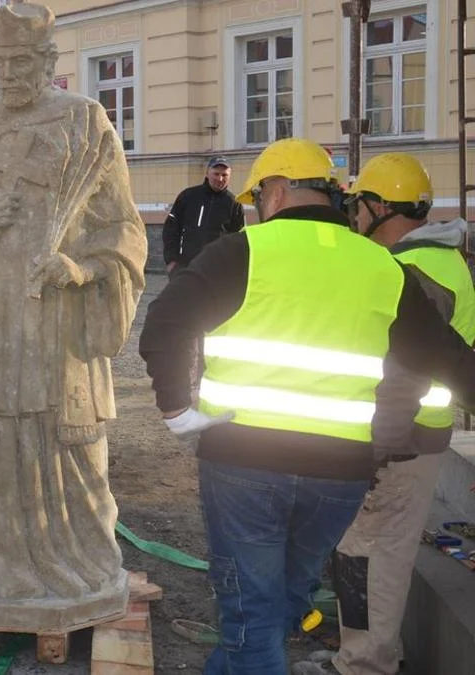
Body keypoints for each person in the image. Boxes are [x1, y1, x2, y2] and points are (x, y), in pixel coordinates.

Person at [138, 137, 475, 674]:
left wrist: (177, 411)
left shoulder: (242, 251)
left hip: (243, 464)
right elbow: (450, 358)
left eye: (256, 198)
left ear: (275, 192)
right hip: (339, 476)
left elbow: (163, 325)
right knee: (278, 605)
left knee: (252, 622)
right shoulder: (383, 267)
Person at [0, 1, 149, 631]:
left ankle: (78, 568)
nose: (12, 73)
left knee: (64, 446)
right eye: (3, 61)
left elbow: (123, 232)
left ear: (48, 61)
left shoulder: (84, 124)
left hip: (56, 326)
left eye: (24, 61)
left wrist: (81, 270)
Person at [323, 154, 475, 675]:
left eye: (358, 205)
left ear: (381, 206)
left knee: (368, 557)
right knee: (372, 554)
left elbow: (404, 373)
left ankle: (363, 666)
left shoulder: (416, 268)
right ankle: (372, 653)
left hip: (399, 444)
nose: (354, 216)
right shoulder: (435, 259)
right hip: (411, 438)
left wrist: (373, 452)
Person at [162, 156, 245, 385]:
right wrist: (171, 261)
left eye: (224, 175)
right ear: (207, 173)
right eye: (216, 174)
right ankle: (178, 373)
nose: (220, 179)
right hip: (186, 271)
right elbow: (171, 229)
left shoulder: (233, 204)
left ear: (229, 177)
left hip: (215, 277)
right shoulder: (188, 197)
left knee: (211, 325)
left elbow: (237, 240)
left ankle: (205, 374)